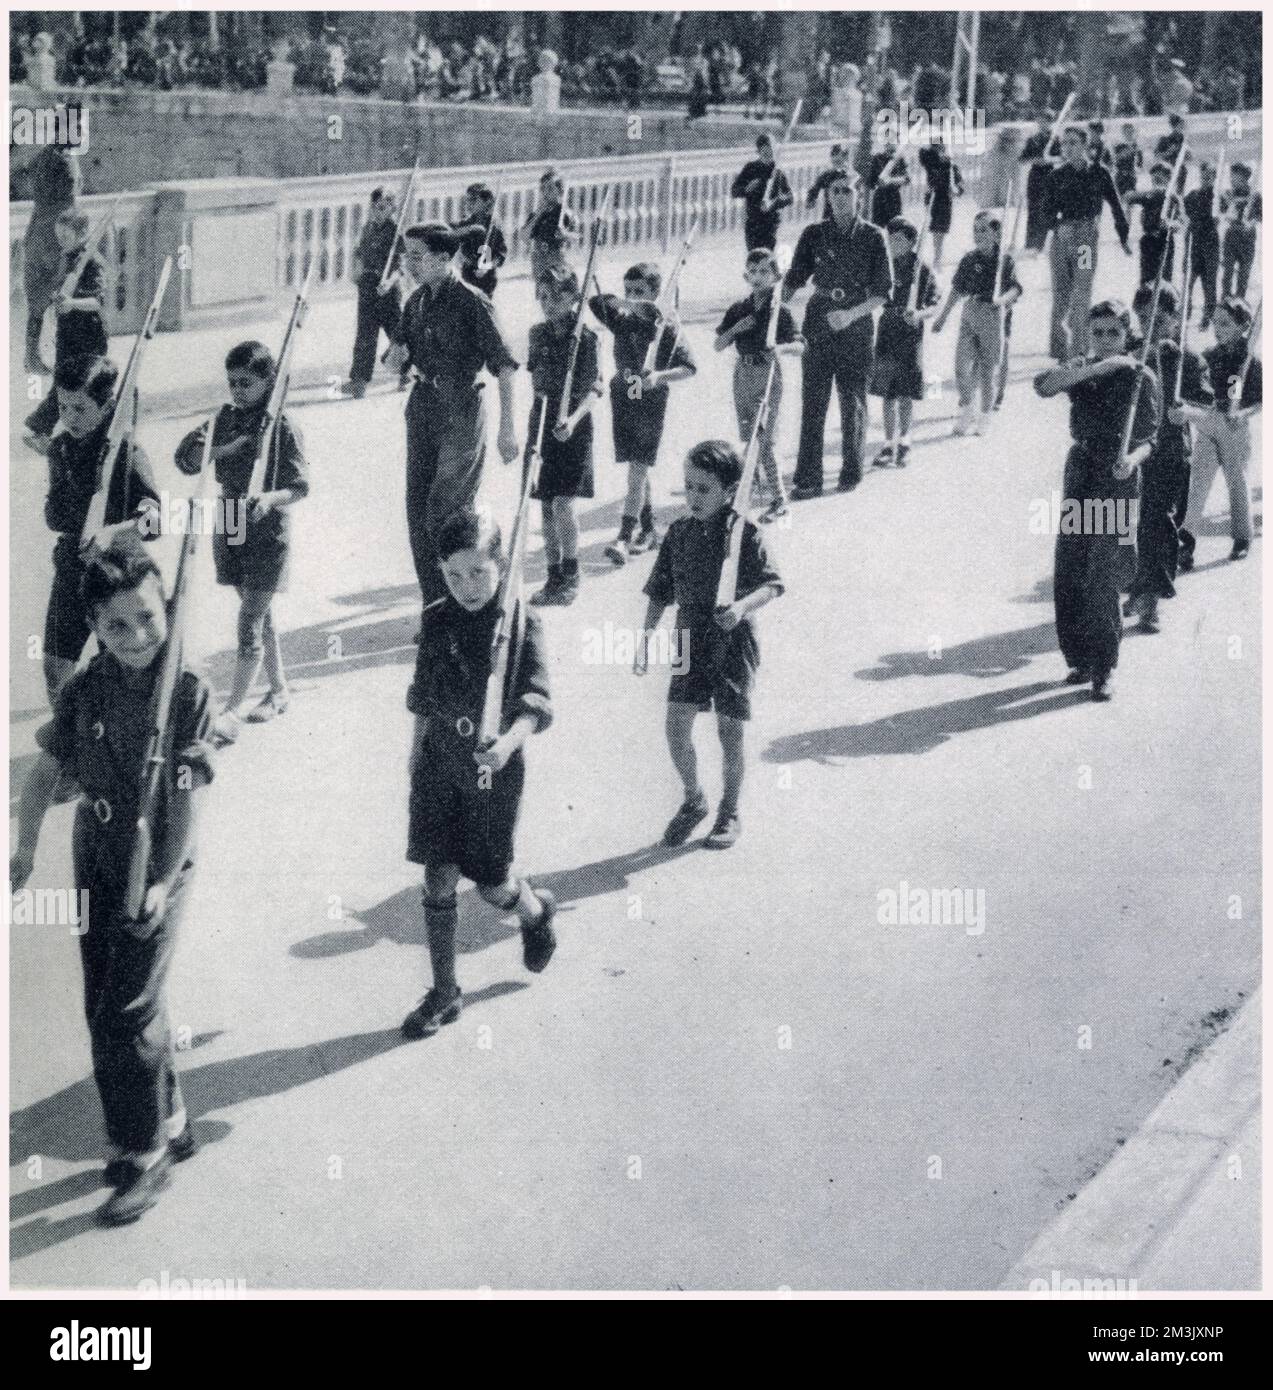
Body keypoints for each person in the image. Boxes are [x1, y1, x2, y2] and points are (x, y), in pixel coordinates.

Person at [11, 533, 214, 1226]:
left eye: (148, 618)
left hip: (156, 858)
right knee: (114, 996)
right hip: (94, 850)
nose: (135, 636)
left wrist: (159, 879)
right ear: (94, 628)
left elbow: (188, 793)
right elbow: (44, 772)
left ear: (168, 608)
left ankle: (145, 1156)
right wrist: (24, 848)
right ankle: (174, 1120)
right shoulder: (86, 688)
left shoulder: (185, 688)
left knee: (122, 1013)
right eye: (116, 625)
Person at [401, 509, 557, 1040]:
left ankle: (535, 912)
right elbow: (423, 694)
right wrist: (414, 753)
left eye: (479, 573)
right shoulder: (438, 616)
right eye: (454, 575)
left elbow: (536, 706)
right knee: (437, 874)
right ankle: (445, 991)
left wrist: (507, 743)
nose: (467, 586)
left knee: (492, 885)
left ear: (501, 567)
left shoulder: (519, 623)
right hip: (439, 766)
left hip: (493, 773)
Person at [636, 440, 784, 850]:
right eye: (689, 487)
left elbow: (773, 584)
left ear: (728, 490)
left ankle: (729, 810)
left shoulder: (744, 534)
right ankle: (694, 799)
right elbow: (659, 591)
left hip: (733, 640)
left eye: (704, 489)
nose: (693, 497)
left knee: (730, 730)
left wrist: (740, 606)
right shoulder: (678, 534)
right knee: (676, 727)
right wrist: (645, 639)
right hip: (690, 637)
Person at [174, 341, 308, 745]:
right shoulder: (226, 418)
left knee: (250, 619)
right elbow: (184, 458)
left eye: (246, 383)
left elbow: (300, 485)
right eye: (232, 383)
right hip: (231, 519)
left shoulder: (281, 426)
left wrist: (269, 498)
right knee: (257, 612)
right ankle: (279, 690)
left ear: (269, 381)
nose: (237, 391)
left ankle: (232, 710)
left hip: (267, 529)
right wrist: (223, 448)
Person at [386, 224, 520, 607]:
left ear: (445, 260)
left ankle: (472, 596)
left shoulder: (472, 301)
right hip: (424, 406)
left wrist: (508, 430)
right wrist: (395, 355)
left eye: (417, 256)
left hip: (462, 407)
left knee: (445, 510)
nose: (409, 263)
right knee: (416, 510)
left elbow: (505, 365)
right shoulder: (415, 302)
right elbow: (398, 355)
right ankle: (437, 605)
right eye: (406, 255)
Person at [1033, 299, 1161, 701]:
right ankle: (1081, 659)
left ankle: (1104, 666)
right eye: (1098, 332)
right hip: (1083, 469)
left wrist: (1131, 459)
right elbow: (1043, 385)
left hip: (1118, 473)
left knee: (1104, 570)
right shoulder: (1082, 369)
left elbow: (1152, 439)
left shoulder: (1142, 378)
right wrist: (1096, 368)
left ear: (1128, 335)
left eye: (1114, 333)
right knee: (1071, 565)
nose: (1105, 340)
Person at [38, 355, 161, 705]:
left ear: (107, 406)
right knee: (55, 668)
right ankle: (67, 746)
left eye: (80, 408)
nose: (69, 417)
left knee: (125, 666)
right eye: (62, 407)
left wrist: (111, 532)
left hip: (119, 575)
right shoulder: (60, 449)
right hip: (73, 568)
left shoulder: (127, 453)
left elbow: (154, 521)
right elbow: (54, 515)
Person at [783, 169, 892, 498]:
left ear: (859, 195)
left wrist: (851, 315)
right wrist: (769, 312)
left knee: (852, 399)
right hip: (818, 319)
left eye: (847, 191)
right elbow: (794, 281)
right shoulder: (813, 234)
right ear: (827, 196)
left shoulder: (874, 237)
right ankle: (809, 477)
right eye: (835, 191)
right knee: (813, 400)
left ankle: (851, 469)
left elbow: (883, 293)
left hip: (855, 322)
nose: (841, 197)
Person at [590, 263, 697, 565]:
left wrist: (659, 377)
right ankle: (649, 529)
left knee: (637, 469)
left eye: (640, 292)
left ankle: (624, 537)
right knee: (636, 467)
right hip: (625, 392)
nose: (632, 297)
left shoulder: (666, 329)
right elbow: (596, 303)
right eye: (628, 291)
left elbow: (689, 368)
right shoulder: (623, 321)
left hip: (649, 397)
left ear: (656, 294)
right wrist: (628, 303)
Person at [1124, 282, 1212, 631]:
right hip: (1132, 451)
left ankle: (1152, 600)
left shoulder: (1188, 360)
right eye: (1143, 319)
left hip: (1171, 453)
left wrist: (1186, 411)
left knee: (1159, 523)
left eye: (1159, 320)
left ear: (1176, 319)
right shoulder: (1130, 353)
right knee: (1130, 523)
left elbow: (1208, 407)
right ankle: (1139, 584)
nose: (1150, 327)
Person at [525, 267, 601, 606]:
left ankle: (572, 575)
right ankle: (552, 575)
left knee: (562, 504)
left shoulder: (585, 338)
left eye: (557, 296)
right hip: (541, 422)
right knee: (544, 505)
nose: (549, 303)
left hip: (573, 425)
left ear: (574, 298)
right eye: (543, 296)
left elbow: (594, 388)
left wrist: (571, 418)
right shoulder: (537, 334)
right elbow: (536, 382)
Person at [713, 248, 805, 518]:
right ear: (745, 275)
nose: (757, 277)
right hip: (743, 373)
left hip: (767, 372)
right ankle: (746, 496)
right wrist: (736, 329)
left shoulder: (781, 311)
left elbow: (800, 345)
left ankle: (779, 500)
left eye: (764, 271)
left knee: (763, 440)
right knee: (750, 438)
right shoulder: (739, 309)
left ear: (776, 276)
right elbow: (719, 344)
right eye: (752, 272)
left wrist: (781, 348)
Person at [1180, 297, 1262, 566]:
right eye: (1216, 323)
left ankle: (1242, 537)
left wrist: (1243, 413)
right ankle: (1187, 541)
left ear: (1243, 326)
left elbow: (1261, 399)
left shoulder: (1250, 361)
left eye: (1225, 324)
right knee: (1199, 482)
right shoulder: (1210, 358)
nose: (1218, 328)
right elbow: (1197, 390)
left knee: (1237, 482)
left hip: (1235, 427)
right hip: (1210, 423)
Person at [1040, 127, 1132, 361]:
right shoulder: (1056, 176)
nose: (1068, 148)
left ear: (1085, 145)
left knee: (1081, 293)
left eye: (1073, 143)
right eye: (1064, 144)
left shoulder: (1100, 173)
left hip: (1085, 241)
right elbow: (1044, 214)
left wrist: (1123, 238)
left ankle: (1079, 350)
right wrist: (1058, 227)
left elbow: (1116, 207)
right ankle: (1059, 350)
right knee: (1061, 294)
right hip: (1062, 240)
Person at [23, 206, 109, 448]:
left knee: (84, 386)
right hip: (67, 333)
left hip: (88, 336)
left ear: (82, 234)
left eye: (66, 237)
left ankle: (48, 431)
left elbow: (96, 302)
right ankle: (43, 431)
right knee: (64, 383)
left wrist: (71, 302)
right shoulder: (67, 258)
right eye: (59, 237)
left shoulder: (92, 262)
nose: (61, 242)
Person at [933, 210, 1023, 437]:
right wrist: (943, 316)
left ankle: (985, 415)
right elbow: (957, 289)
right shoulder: (968, 259)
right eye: (975, 229)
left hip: (993, 314)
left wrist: (1001, 300)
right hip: (970, 312)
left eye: (984, 230)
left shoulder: (1005, 260)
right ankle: (966, 408)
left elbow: (1015, 288)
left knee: (987, 371)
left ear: (996, 233)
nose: (978, 234)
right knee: (961, 367)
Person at [868, 216, 940, 466]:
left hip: (910, 335)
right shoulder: (882, 266)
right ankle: (888, 443)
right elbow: (872, 294)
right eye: (890, 239)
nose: (893, 244)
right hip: (887, 330)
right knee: (887, 392)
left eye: (898, 239)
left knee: (906, 392)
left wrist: (918, 314)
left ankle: (906, 440)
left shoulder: (922, 269)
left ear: (911, 242)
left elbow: (934, 304)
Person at [22, 141, 81, 375]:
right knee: (63, 295)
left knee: (37, 302)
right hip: (56, 237)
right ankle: (63, 358)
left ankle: (31, 356)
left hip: (36, 233)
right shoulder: (66, 160)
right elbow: (70, 202)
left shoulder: (40, 157)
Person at [341, 189, 405, 400]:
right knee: (365, 334)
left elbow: (400, 266)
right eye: (374, 207)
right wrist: (356, 270)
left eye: (382, 208)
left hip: (387, 288)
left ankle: (408, 371)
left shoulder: (396, 233)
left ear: (391, 209)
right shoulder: (367, 228)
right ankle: (359, 381)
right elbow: (360, 253)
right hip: (368, 286)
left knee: (397, 333)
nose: (377, 212)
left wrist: (389, 281)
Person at [730, 134, 793, 253]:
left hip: (771, 224)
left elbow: (790, 197)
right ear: (759, 150)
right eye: (766, 148)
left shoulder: (777, 171)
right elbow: (734, 191)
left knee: (767, 256)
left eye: (771, 148)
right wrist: (747, 189)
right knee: (753, 256)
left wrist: (775, 202)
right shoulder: (750, 168)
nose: (769, 151)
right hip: (753, 222)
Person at [1126, 162, 1180, 289]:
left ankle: (1163, 306)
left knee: (1165, 281)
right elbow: (1128, 198)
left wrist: (1170, 224)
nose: (1157, 184)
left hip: (1165, 241)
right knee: (1146, 281)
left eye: (1160, 180)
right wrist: (1126, 227)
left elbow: (1181, 223)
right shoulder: (1149, 195)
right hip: (1148, 241)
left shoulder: (1173, 198)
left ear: (1169, 179)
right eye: (1154, 180)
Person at [1183, 160, 1222, 330]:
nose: (1206, 180)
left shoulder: (1218, 197)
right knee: (1188, 282)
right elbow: (1185, 215)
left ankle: (1208, 318)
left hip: (1210, 244)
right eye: (1204, 177)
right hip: (1194, 242)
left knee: (1209, 284)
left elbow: (1226, 213)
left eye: (1210, 177)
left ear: (1214, 178)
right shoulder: (1192, 196)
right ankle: (1186, 314)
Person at [523, 169, 581, 281]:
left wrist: (565, 234)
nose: (545, 192)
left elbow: (579, 237)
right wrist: (537, 215)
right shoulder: (537, 214)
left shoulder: (566, 214)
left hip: (558, 261)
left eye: (550, 188)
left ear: (560, 191)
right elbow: (524, 236)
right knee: (543, 296)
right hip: (539, 261)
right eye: (542, 189)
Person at [452, 182, 507, 300]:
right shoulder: (466, 224)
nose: (468, 204)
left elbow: (501, 255)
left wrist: (487, 266)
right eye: (467, 200)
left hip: (486, 279)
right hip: (467, 275)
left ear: (486, 202)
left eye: (473, 200)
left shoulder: (493, 227)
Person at [918, 136, 964, 269]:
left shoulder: (952, 167)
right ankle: (936, 257)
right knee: (934, 229)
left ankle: (938, 258)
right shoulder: (930, 163)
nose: (940, 152)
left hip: (945, 199)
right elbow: (922, 153)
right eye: (937, 149)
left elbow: (960, 187)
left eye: (941, 148)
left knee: (941, 230)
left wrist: (955, 190)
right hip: (932, 198)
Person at [1220, 163, 1261, 300]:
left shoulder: (1255, 195)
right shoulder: (1228, 194)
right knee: (1227, 273)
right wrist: (1228, 210)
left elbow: (1262, 216)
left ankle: (1239, 304)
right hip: (1231, 237)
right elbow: (1219, 212)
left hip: (1247, 239)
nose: (1231, 179)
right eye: (1231, 176)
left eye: (1235, 176)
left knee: (1243, 275)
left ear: (1243, 177)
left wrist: (1251, 223)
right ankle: (1225, 301)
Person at [1019, 114, 1059, 254]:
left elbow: (1062, 157)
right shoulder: (1033, 140)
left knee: (1046, 210)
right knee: (1033, 210)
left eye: (1046, 121)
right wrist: (1035, 160)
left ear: (1050, 123)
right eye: (1041, 121)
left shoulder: (1054, 139)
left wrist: (1049, 159)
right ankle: (1030, 243)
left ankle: (1040, 244)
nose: (1043, 124)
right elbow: (1022, 159)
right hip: (1035, 176)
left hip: (1049, 176)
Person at [867, 141, 909, 229]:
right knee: (877, 229)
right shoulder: (877, 158)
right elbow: (870, 182)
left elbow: (906, 179)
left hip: (894, 198)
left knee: (896, 229)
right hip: (880, 199)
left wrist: (891, 181)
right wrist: (877, 182)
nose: (890, 144)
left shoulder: (899, 159)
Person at [806, 143, 851, 218]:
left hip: (847, 215)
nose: (836, 158)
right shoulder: (827, 175)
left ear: (846, 158)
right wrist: (811, 199)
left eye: (842, 157)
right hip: (830, 214)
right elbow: (815, 188)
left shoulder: (851, 176)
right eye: (833, 155)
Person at [1112, 121, 1143, 199]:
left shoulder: (1136, 146)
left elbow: (1140, 164)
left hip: (1131, 175)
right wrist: (1129, 149)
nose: (1129, 134)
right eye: (1127, 132)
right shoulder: (1118, 146)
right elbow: (1115, 159)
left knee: (1131, 199)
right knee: (1119, 199)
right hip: (1120, 176)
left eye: (1131, 132)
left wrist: (1136, 151)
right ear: (1123, 133)